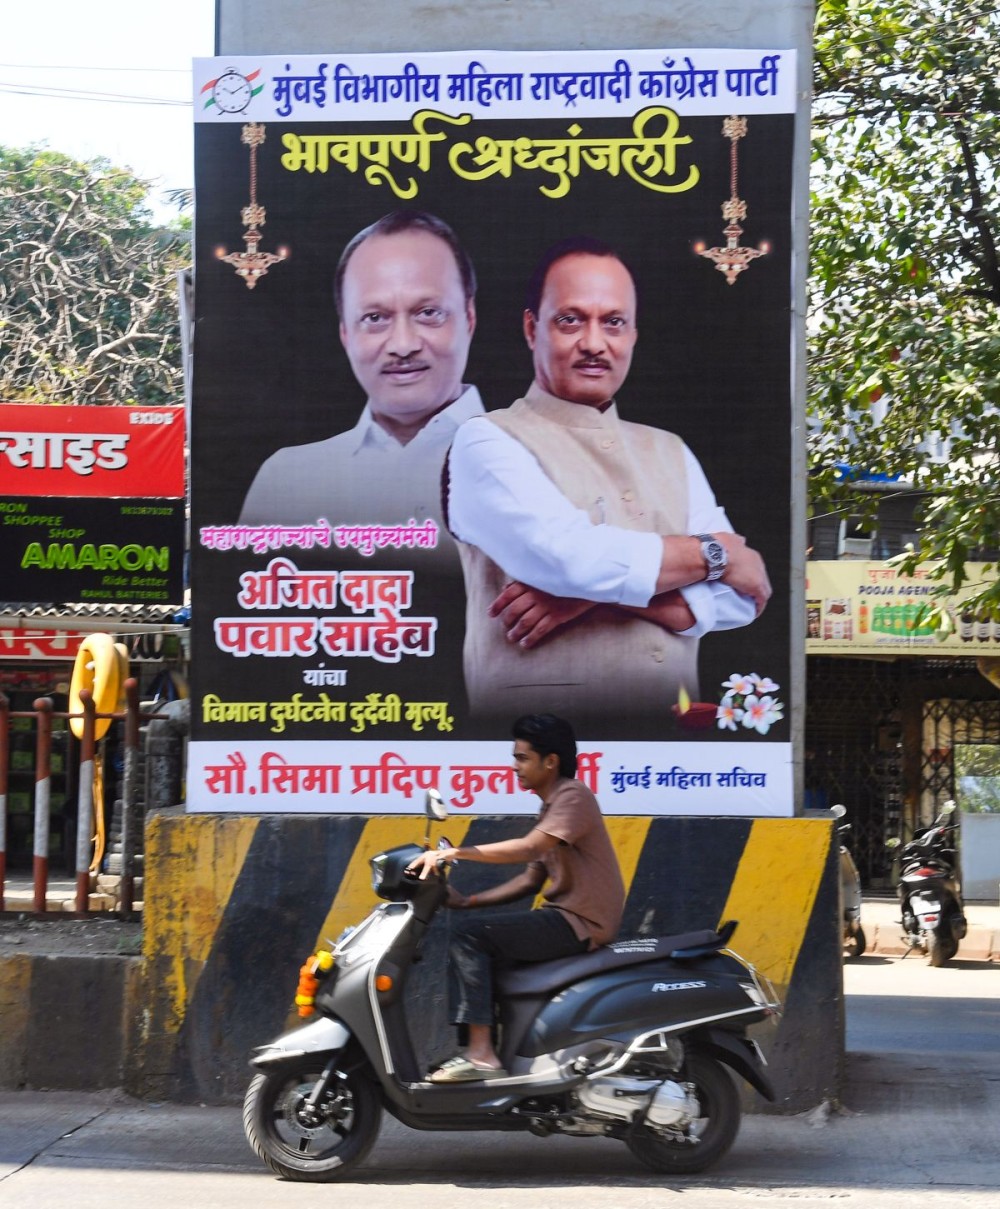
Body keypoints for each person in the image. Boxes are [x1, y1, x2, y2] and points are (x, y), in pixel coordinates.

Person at [444, 235, 772, 718]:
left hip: (673, 768)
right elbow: (570, 560)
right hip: (532, 763)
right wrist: (713, 555)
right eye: (570, 320)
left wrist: (583, 600)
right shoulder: (486, 441)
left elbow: (743, 595)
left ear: (633, 336)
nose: (594, 344)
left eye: (613, 323)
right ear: (532, 328)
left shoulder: (670, 450)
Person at [238, 210, 483, 564]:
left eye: (428, 312)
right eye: (375, 318)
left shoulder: (539, 460)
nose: (403, 344)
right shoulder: (286, 481)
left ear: (469, 318)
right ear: (345, 334)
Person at [406, 713, 624, 1083]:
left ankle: (482, 1055)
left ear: (550, 761)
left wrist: (454, 853)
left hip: (579, 922)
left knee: (468, 936)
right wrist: (468, 902)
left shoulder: (573, 796)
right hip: (566, 918)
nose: (515, 767)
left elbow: (529, 848)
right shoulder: (553, 806)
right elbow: (529, 881)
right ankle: (502, 1055)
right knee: (476, 933)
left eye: (522, 758)